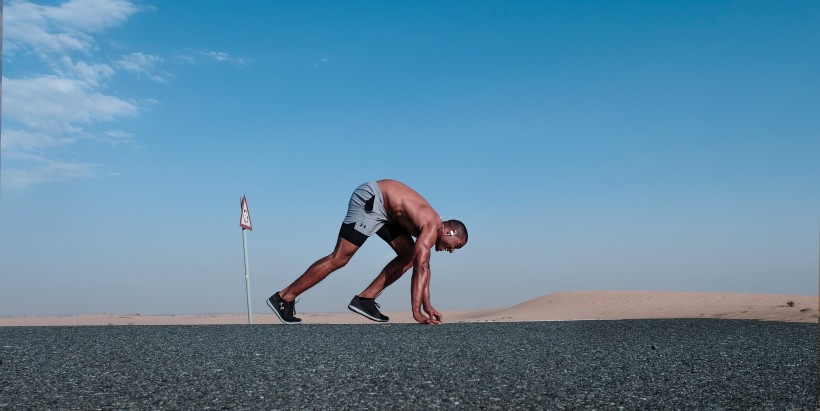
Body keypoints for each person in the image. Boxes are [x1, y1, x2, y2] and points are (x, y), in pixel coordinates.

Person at [267, 179, 467, 325]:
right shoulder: (431, 226)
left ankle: (365, 300)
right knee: (340, 257)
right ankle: (284, 297)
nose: (451, 251)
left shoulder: (431, 226)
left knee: (408, 256)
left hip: (388, 212)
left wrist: (427, 305)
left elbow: (424, 267)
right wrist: (417, 312)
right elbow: (422, 268)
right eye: (455, 245)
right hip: (373, 199)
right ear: (449, 231)